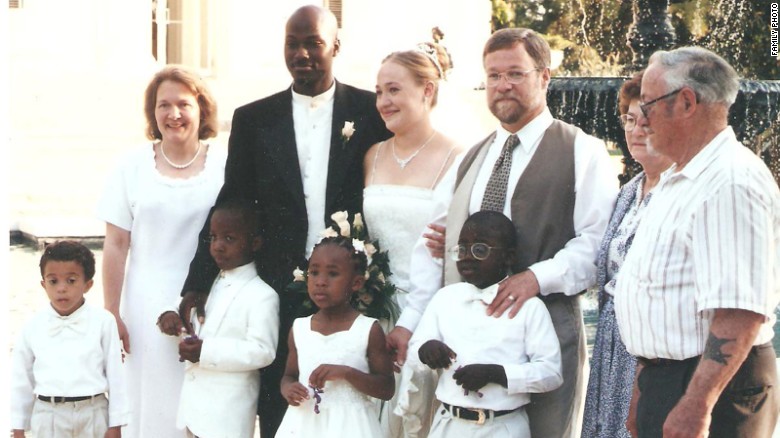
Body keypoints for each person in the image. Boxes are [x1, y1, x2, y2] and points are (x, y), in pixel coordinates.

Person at [389, 28, 617, 438]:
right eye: (493, 76)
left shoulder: (582, 150)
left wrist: (535, 278)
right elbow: (433, 243)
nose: (502, 86)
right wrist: (411, 323)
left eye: (515, 73)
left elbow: (598, 245)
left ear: (544, 77)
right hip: (464, 347)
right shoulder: (473, 155)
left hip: (541, 341)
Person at [177, 6, 391, 437]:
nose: (302, 54)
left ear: (335, 45)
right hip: (277, 284)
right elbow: (231, 201)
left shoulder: (370, 111)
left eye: (313, 42)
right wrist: (198, 282)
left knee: (351, 402)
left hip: (352, 287)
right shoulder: (254, 118)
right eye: (292, 44)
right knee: (279, 399)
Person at [613, 47, 780, 438]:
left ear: (686, 102)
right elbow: (660, 292)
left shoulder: (730, 182)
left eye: (649, 106)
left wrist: (696, 405)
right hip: (672, 381)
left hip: (716, 390)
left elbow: (740, 312)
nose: (642, 121)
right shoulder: (680, 176)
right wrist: (645, 388)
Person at [97, 65, 225, 438]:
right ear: (152, 113)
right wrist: (111, 312)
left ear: (201, 108)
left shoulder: (224, 164)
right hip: (142, 304)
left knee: (199, 403)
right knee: (149, 403)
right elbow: (117, 243)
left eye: (183, 104)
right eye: (163, 105)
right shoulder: (131, 166)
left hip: (207, 301)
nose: (173, 114)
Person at [364, 43, 462, 438]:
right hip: (374, 311)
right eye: (379, 92)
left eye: (394, 90)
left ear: (428, 90)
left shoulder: (457, 157)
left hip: (426, 315)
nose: (384, 101)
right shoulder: (370, 155)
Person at [409, 211, 562, 438]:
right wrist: (426, 349)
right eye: (462, 249)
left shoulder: (529, 308)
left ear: (508, 257)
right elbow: (414, 350)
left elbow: (551, 373)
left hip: (502, 427)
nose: (467, 257)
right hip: (448, 426)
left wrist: (496, 374)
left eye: (480, 250)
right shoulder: (445, 298)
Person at [580, 71, 673, 438]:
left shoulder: (680, 192)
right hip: (610, 343)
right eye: (629, 120)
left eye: (646, 122)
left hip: (649, 351)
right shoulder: (628, 191)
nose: (636, 130)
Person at [154, 199, 280, 438]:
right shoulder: (207, 284)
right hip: (194, 410)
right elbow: (183, 307)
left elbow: (263, 350)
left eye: (229, 239)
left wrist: (207, 351)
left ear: (254, 243)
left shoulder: (263, 295)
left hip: (228, 416)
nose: (218, 246)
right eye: (213, 238)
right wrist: (168, 314)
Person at [276, 236, 395, 437]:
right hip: (304, 425)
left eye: (332, 274)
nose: (320, 282)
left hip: (352, 427)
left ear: (356, 283)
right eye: (314, 272)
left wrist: (347, 373)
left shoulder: (368, 329)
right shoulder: (299, 328)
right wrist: (288, 388)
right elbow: (289, 375)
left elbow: (386, 388)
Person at [10, 241, 129, 438]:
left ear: (88, 284)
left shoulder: (104, 322)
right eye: (53, 281)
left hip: (93, 413)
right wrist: (18, 428)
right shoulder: (32, 326)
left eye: (71, 280)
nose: (62, 288)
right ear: (43, 284)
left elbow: (116, 375)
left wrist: (115, 424)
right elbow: (21, 379)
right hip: (48, 415)